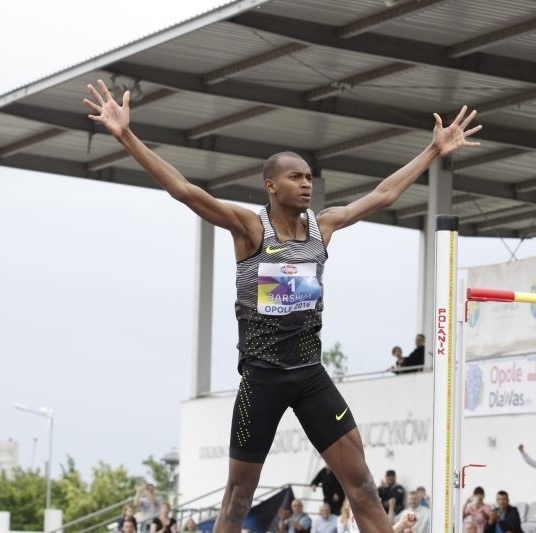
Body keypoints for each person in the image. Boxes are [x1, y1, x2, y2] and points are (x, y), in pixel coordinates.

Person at [83, 80, 480, 533]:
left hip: (310, 375)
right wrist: (125, 136)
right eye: (296, 177)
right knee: (237, 500)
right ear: (271, 185)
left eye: (310, 176)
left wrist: (433, 151)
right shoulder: (249, 229)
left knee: (364, 486)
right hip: (263, 378)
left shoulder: (322, 227)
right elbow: (185, 191)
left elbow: (383, 194)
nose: (306, 183)